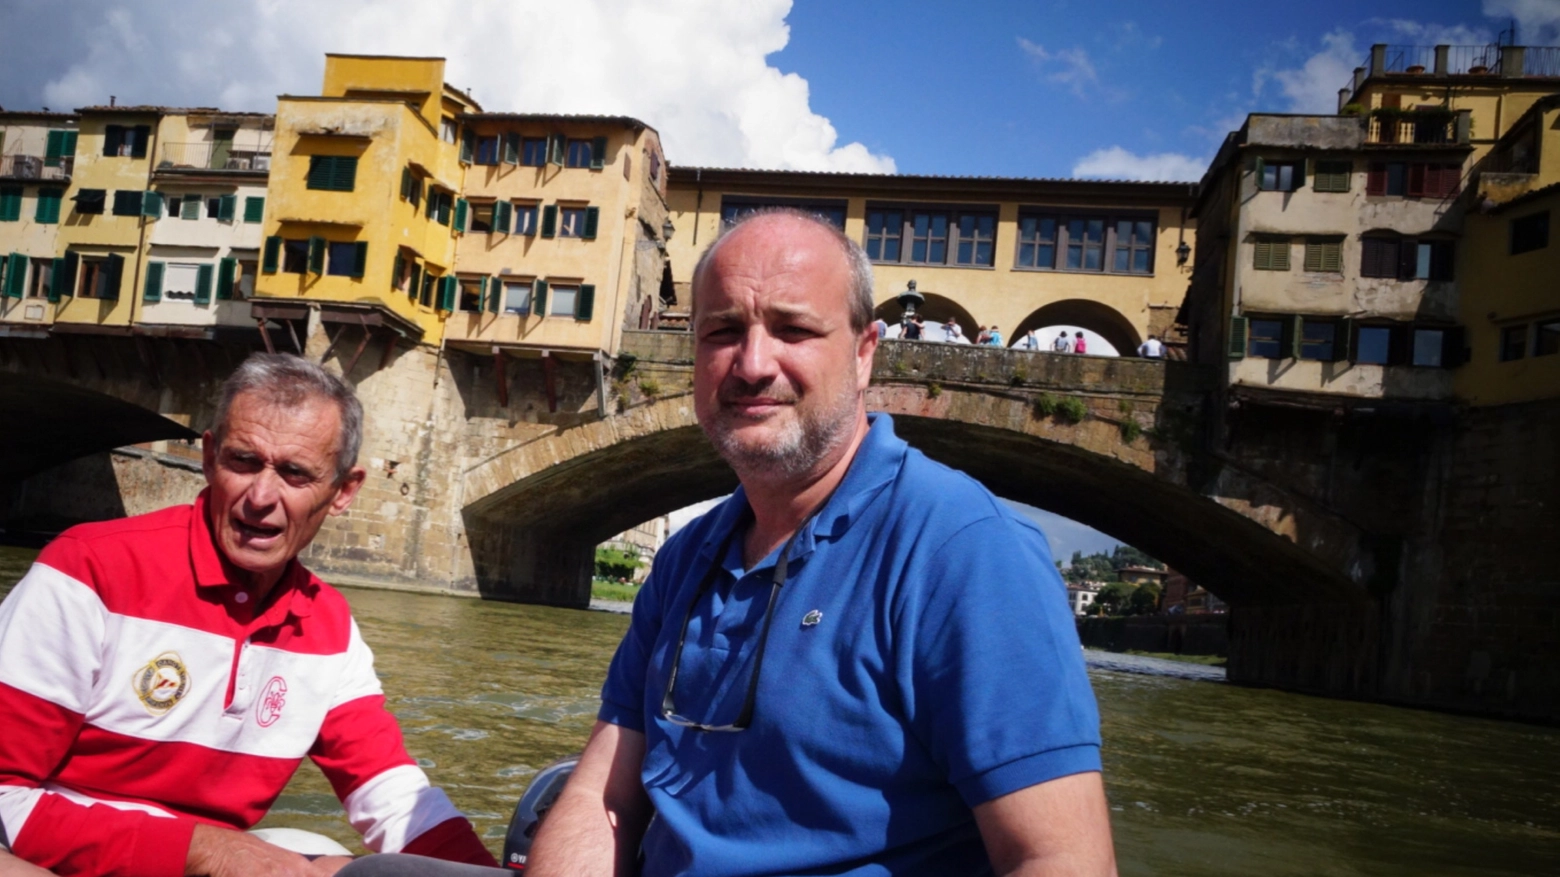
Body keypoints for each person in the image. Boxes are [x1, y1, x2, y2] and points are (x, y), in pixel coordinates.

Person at [528, 209, 1113, 876]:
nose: (752, 363)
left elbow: (1059, 859)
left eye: (794, 329)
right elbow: (604, 799)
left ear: (865, 352)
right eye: (722, 331)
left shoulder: (966, 552)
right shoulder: (686, 557)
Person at [0, 354, 497, 877]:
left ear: (344, 491)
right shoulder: (89, 570)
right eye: (243, 461)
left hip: (193, 861)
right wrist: (207, 850)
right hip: (50, 860)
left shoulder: (328, 626)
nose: (261, 497)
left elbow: (391, 794)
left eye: (294, 473)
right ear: (210, 457)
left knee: (352, 870)